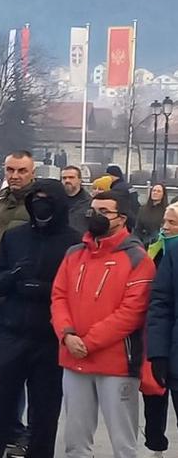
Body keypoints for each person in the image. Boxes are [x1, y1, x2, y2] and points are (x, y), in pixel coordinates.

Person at [0, 179, 80, 458]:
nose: (40, 205)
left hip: (50, 336)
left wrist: (44, 288)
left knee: (45, 409)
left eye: (47, 200)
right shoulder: (15, 236)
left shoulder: (74, 242)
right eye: (36, 200)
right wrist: (13, 277)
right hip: (12, 330)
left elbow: (77, 289)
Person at [52, 189, 154, 458]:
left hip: (116, 363)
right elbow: (59, 296)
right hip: (74, 357)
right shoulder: (74, 253)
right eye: (93, 211)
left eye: (104, 212)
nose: (95, 216)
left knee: (123, 443)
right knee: (75, 440)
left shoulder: (138, 258)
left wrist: (88, 342)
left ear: (122, 218)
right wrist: (67, 334)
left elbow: (131, 312)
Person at [145, 202, 178, 457]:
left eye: (172, 222)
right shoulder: (170, 254)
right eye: (165, 222)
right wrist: (157, 353)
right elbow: (161, 304)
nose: (165, 227)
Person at [62, 165, 91, 234]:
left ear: (80, 180)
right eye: (64, 178)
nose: (67, 180)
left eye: (71, 177)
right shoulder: (55, 201)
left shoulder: (90, 203)